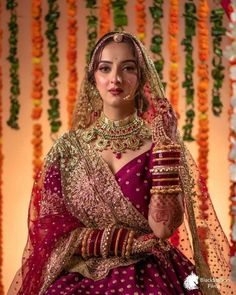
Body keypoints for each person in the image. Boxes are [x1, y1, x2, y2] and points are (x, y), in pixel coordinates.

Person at [8, 31, 235, 295]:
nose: (115, 79)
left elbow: (162, 229)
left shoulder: (158, 145)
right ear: (94, 78)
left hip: (148, 274)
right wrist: (118, 241)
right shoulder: (68, 149)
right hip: (78, 276)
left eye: (128, 68)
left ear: (140, 79)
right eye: (105, 68)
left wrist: (166, 148)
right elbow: (49, 233)